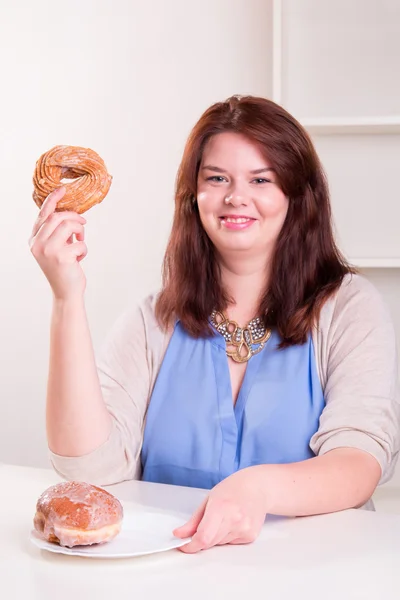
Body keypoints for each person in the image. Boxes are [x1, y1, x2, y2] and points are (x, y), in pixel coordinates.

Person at [29, 95, 400, 554]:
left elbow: (360, 462)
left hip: (314, 574)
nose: (235, 196)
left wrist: (258, 489)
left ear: (296, 195)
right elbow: (88, 467)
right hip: (173, 575)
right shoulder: (152, 320)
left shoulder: (349, 309)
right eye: (217, 178)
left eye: (261, 179)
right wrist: (67, 296)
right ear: (194, 194)